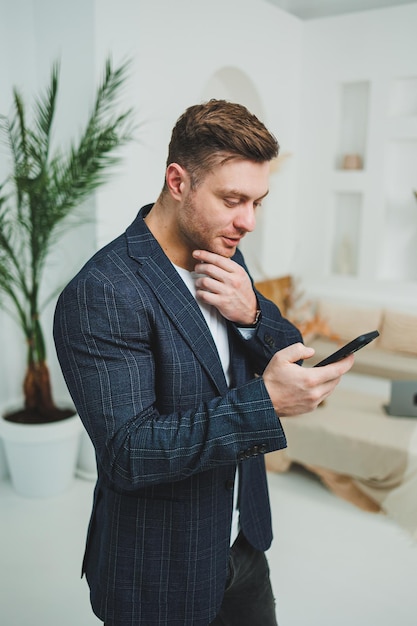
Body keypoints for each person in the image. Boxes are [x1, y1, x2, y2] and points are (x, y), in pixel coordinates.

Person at [53, 99, 353, 626]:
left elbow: (287, 346)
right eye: (233, 198)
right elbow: (130, 452)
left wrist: (253, 312)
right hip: (160, 567)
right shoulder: (104, 290)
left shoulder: (224, 252)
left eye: (258, 201)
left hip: (243, 544)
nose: (248, 221)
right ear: (177, 181)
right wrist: (266, 402)